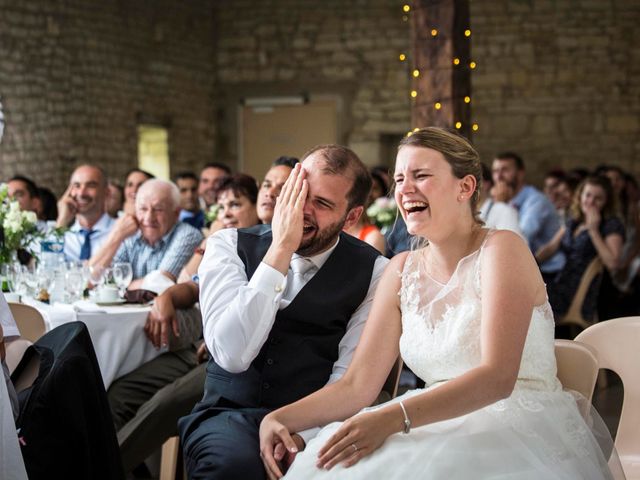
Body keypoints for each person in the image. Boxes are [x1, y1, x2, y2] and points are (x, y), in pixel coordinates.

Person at [259, 128, 615, 479]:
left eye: (421, 175)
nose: (404, 189)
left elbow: (497, 378)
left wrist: (390, 417)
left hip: (516, 425)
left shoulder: (502, 250)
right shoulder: (400, 271)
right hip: (431, 421)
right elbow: (357, 385)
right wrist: (280, 418)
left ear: (466, 187)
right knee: (328, 466)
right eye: (399, 179)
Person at [179, 145, 388, 479]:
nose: (301, 210)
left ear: (351, 217)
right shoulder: (227, 245)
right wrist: (280, 250)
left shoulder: (376, 271)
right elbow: (232, 356)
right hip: (229, 415)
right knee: (235, 468)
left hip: (316, 421)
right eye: (299, 193)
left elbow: (348, 377)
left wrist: (302, 435)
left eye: (321, 204)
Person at [106, 175, 261, 473]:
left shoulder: (267, 246)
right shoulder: (223, 245)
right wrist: (168, 297)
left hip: (231, 358)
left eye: (236, 204)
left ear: (259, 208)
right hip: (198, 347)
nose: (226, 212)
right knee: (117, 395)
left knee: (162, 404)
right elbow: (192, 285)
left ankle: (100, 470)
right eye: (222, 205)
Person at [537, 175, 624, 324]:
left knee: (526, 292)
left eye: (598, 198)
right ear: (580, 195)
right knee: (522, 283)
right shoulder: (575, 220)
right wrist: (530, 260)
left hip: (578, 293)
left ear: (606, 203)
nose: (590, 201)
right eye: (588, 195)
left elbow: (613, 263)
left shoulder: (610, 224)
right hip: (561, 282)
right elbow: (552, 247)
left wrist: (593, 230)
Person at [89, 179, 202, 289]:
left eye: (158, 209)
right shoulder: (129, 234)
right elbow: (94, 279)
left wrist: (121, 286)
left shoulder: (188, 235)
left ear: (176, 213)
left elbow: (160, 283)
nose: (149, 218)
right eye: (143, 209)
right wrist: (116, 235)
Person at [492, 152, 565, 282]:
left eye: (505, 170)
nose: (499, 176)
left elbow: (519, 240)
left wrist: (501, 205)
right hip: (528, 268)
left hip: (551, 272)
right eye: (495, 171)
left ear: (520, 174)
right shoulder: (507, 200)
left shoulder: (536, 200)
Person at [56, 165, 115, 262]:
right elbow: (46, 268)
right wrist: (61, 220)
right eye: (76, 186)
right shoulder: (63, 235)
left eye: (91, 185)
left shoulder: (122, 233)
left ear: (106, 192)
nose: (81, 193)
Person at [477, 164, 521, 235]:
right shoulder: (461, 215)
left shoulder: (505, 212)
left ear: (486, 184)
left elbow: (512, 244)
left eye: (473, 179)